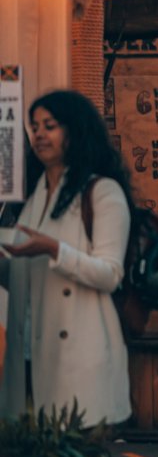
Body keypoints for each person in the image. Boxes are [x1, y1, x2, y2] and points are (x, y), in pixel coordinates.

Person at [1, 90, 132, 426]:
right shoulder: (34, 196)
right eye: (34, 127)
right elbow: (24, 277)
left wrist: (54, 249)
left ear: (75, 131)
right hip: (29, 358)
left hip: (76, 360)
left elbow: (110, 274)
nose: (40, 134)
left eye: (50, 125)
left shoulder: (102, 192)